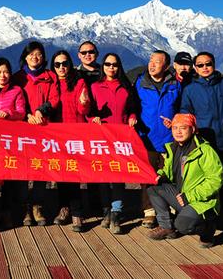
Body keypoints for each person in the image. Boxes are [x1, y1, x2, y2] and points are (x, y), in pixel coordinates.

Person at [180, 51, 223, 230]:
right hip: (202, 145)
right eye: (200, 65)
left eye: (208, 64)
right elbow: (186, 113)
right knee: (203, 183)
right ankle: (207, 221)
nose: (205, 68)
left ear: (214, 64)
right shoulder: (190, 89)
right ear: (195, 68)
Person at [147, 114, 222, 248]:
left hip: (200, 201)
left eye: (183, 128)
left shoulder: (205, 151)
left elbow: (215, 180)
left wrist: (190, 196)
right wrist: (160, 176)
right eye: (175, 128)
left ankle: (207, 229)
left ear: (192, 129)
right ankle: (166, 227)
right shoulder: (173, 148)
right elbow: (168, 171)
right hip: (181, 196)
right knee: (153, 187)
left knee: (182, 226)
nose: (178, 132)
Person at [12, 41, 59, 226]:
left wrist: (41, 110)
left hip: (44, 128)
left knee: (41, 168)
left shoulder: (50, 77)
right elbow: (12, 99)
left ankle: (37, 206)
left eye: (38, 54)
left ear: (43, 57)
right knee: (23, 169)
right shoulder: (18, 77)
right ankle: (25, 208)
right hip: (23, 128)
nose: (34, 57)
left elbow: (55, 98)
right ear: (25, 56)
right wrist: (27, 115)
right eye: (31, 54)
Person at [89, 52, 136, 234]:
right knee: (102, 177)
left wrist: (132, 118)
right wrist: (93, 118)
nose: (111, 67)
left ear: (119, 66)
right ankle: (106, 211)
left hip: (121, 138)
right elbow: (89, 111)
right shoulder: (95, 86)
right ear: (103, 66)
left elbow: (133, 109)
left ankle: (116, 213)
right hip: (101, 138)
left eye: (114, 64)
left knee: (118, 177)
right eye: (108, 64)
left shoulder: (126, 87)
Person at [133, 50, 181, 229]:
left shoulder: (175, 84)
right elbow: (132, 105)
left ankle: (171, 209)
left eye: (157, 62)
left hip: (170, 139)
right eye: (150, 61)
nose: (152, 65)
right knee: (148, 177)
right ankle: (149, 211)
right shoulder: (140, 83)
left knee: (170, 176)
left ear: (166, 66)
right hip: (147, 138)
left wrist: (176, 121)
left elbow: (182, 107)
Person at [51, 50, 90, 232]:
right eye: (57, 64)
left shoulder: (79, 82)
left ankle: (77, 213)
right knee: (60, 175)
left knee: (73, 175)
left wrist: (83, 102)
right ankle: (64, 208)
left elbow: (83, 110)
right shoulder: (51, 83)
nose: (61, 67)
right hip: (55, 135)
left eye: (64, 63)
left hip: (74, 135)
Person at [0, 57, 26, 229]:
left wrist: (8, 113)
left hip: (9, 142)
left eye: (6, 71)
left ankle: (6, 213)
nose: (2, 75)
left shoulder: (17, 90)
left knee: (9, 179)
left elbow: (22, 112)